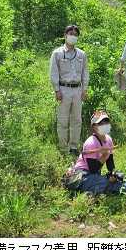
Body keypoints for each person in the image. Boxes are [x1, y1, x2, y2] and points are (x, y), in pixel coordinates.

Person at [50, 25, 89, 156]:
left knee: (77, 120)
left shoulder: (82, 54)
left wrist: (85, 90)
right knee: (62, 120)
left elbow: (85, 73)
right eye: (70, 33)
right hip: (63, 89)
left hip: (77, 90)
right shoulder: (57, 53)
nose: (73, 36)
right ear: (65, 35)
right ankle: (63, 147)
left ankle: (73, 146)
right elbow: (53, 73)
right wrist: (57, 90)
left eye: (75, 34)